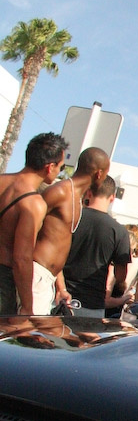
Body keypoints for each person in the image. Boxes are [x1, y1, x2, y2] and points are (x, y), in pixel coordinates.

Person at [32, 146, 110, 315]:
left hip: (48, 280)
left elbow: (58, 245)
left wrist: (61, 287)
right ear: (99, 173)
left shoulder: (76, 199)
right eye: (106, 173)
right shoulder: (59, 192)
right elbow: (28, 229)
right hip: (36, 275)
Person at [0, 132, 66, 316]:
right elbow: (21, 258)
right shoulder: (33, 203)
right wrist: (27, 306)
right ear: (49, 167)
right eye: (60, 167)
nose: (60, 172)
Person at [61, 175, 131, 318]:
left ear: (88, 192)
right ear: (112, 197)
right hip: (92, 304)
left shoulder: (71, 218)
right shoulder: (119, 231)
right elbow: (121, 276)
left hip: (61, 297)